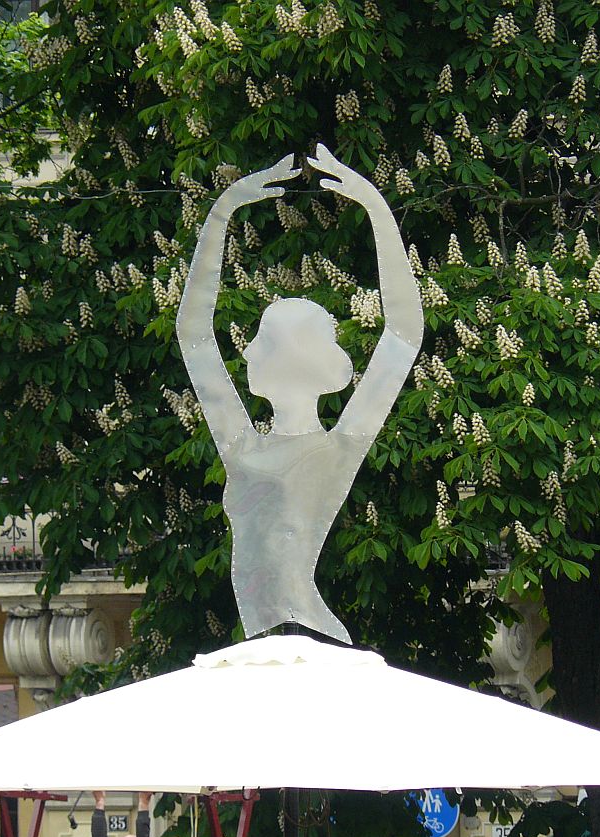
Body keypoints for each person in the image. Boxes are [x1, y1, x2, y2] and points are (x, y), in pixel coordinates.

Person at [177, 143, 424, 644]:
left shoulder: (339, 447)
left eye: (261, 340)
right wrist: (222, 212)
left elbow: (402, 334)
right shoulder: (243, 445)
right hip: (263, 639)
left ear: (292, 358)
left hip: (306, 635)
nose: (245, 352)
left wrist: (376, 207)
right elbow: (193, 335)